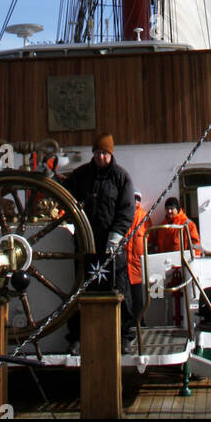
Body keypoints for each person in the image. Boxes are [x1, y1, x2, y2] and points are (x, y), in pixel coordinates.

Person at [63, 132, 136, 353]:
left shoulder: (122, 178)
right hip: (86, 243)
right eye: (97, 152)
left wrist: (116, 236)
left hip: (111, 244)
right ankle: (77, 337)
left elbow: (126, 210)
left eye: (104, 153)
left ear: (111, 154)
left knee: (119, 287)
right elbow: (65, 196)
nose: (100, 157)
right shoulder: (80, 175)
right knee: (81, 288)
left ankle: (126, 335)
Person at [126, 191, 151, 327]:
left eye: (137, 199)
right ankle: (129, 323)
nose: (135, 202)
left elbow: (150, 235)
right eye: (133, 199)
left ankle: (141, 322)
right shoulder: (124, 215)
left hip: (137, 266)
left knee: (138, 298)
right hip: (124, 265)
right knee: (126, 298)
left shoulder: (144, 217)